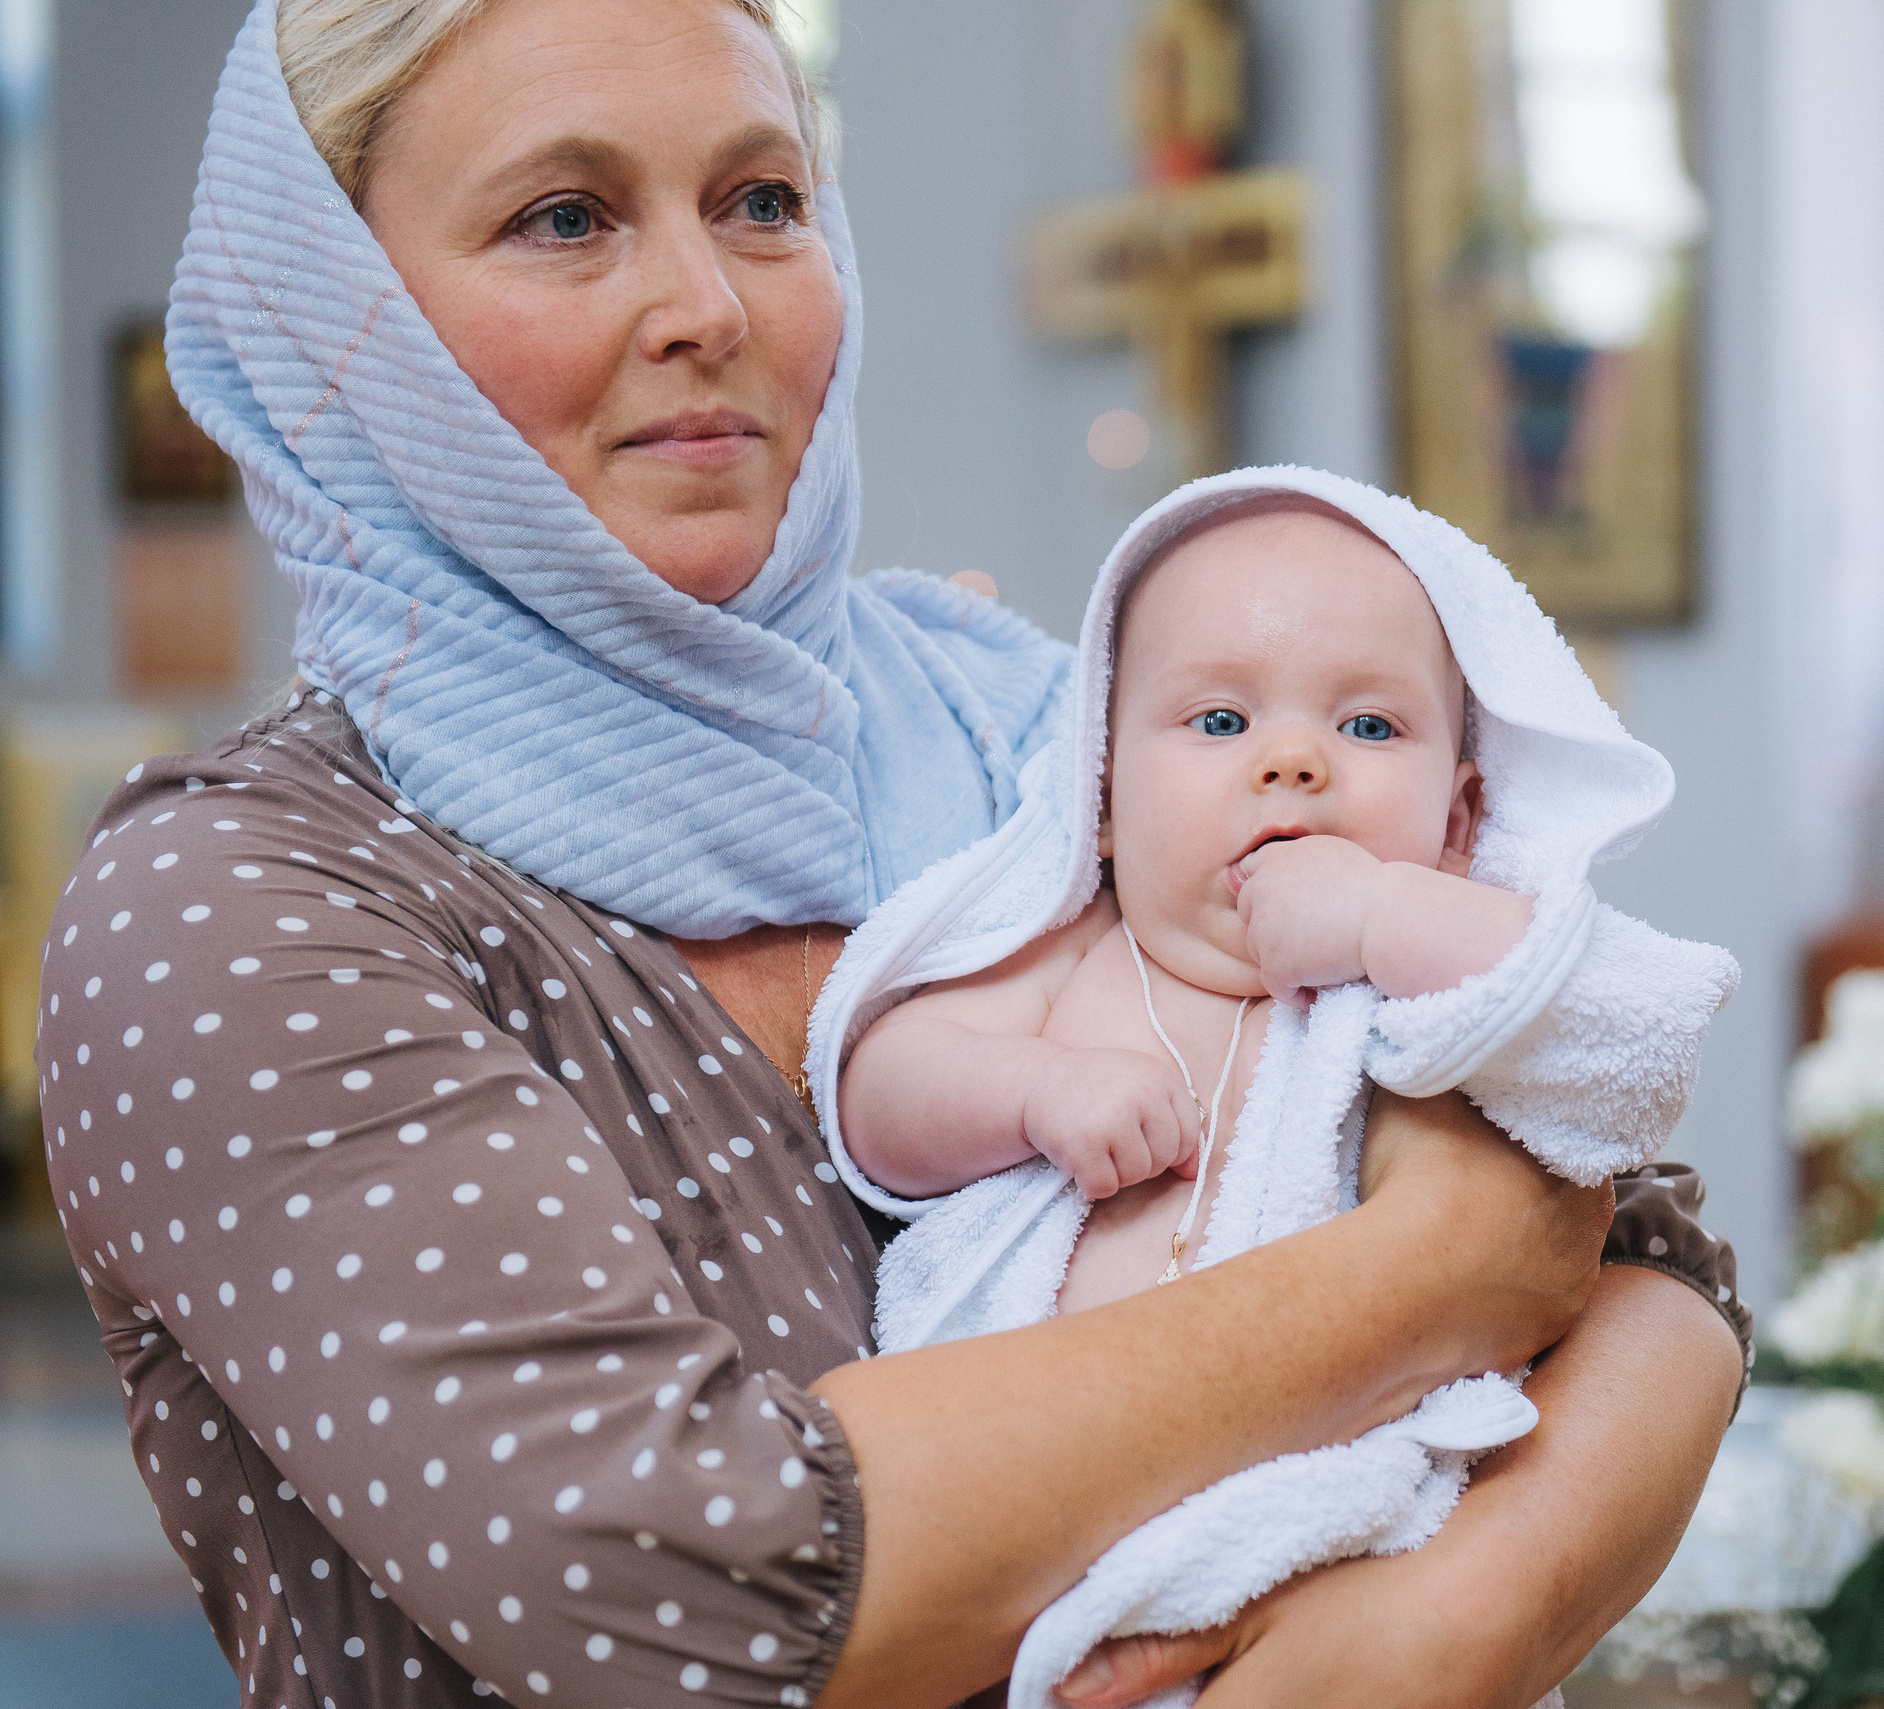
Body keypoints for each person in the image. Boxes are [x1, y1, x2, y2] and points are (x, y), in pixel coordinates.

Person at [32, 5, 1750, 1709]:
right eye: (567, 217)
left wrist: (1457, 1623)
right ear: (337, 313)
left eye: (763, 200)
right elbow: (698, 1583)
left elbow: (1636, 1247)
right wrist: (1430, 1270)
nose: (707, 306)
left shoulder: (1026, 725)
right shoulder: (240, 908)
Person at [831, 475, 1738, 1700]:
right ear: (1098, 795)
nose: (1294, 762)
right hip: (1051, 1499)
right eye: (1217, 721)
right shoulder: (1074, 959)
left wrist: (1381, 913)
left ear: (1459, 817)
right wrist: (1036, 1089)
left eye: (1369, 728)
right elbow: (880, 1096)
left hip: (1328, 1521)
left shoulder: (1427, 987)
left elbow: (1627, 1033)